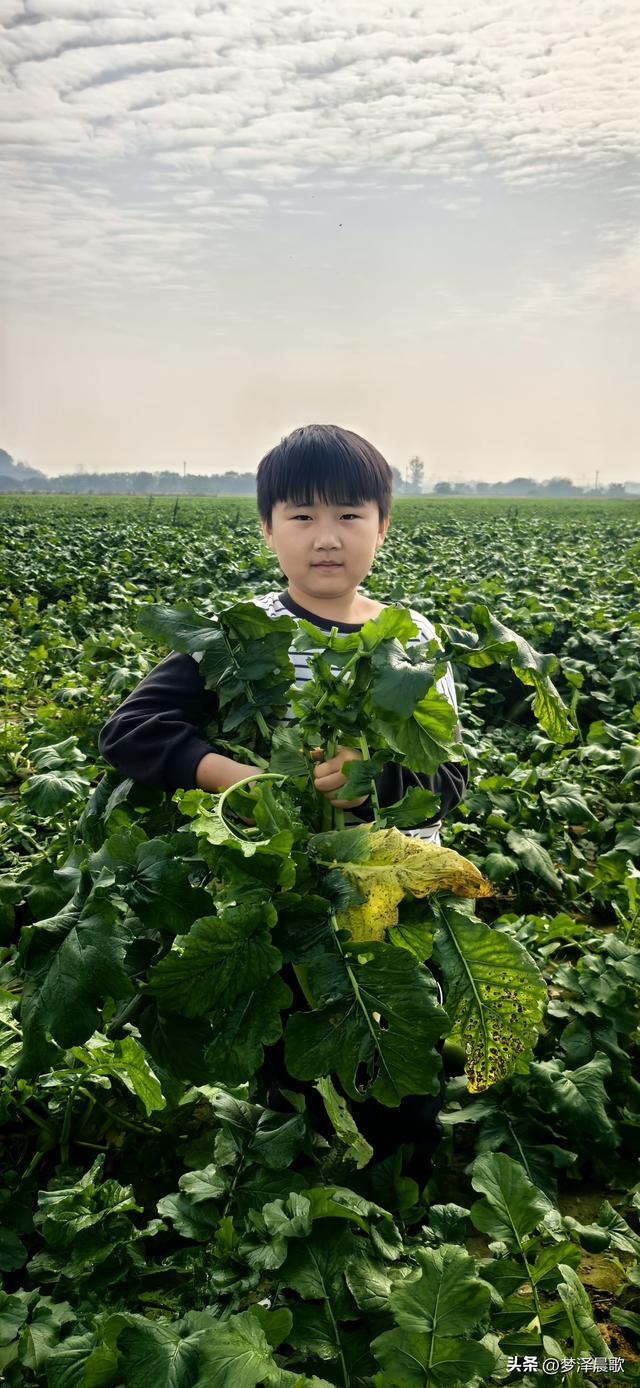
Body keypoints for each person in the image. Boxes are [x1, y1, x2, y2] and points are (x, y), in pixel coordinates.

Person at [98, 423, 468, 1179]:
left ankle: (402, 1186)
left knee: (395, 1039)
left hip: (389, 887)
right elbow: (130, 729)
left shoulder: (414, 638)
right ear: (268, 529)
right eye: (301, 517)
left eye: (348, 516)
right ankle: (295, 1178)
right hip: (281, 891)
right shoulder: (241, 633)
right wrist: (237, 777)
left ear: (383, 526)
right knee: (289, 1049)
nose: (325, 538)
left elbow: (449, 776)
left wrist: (372, 779)